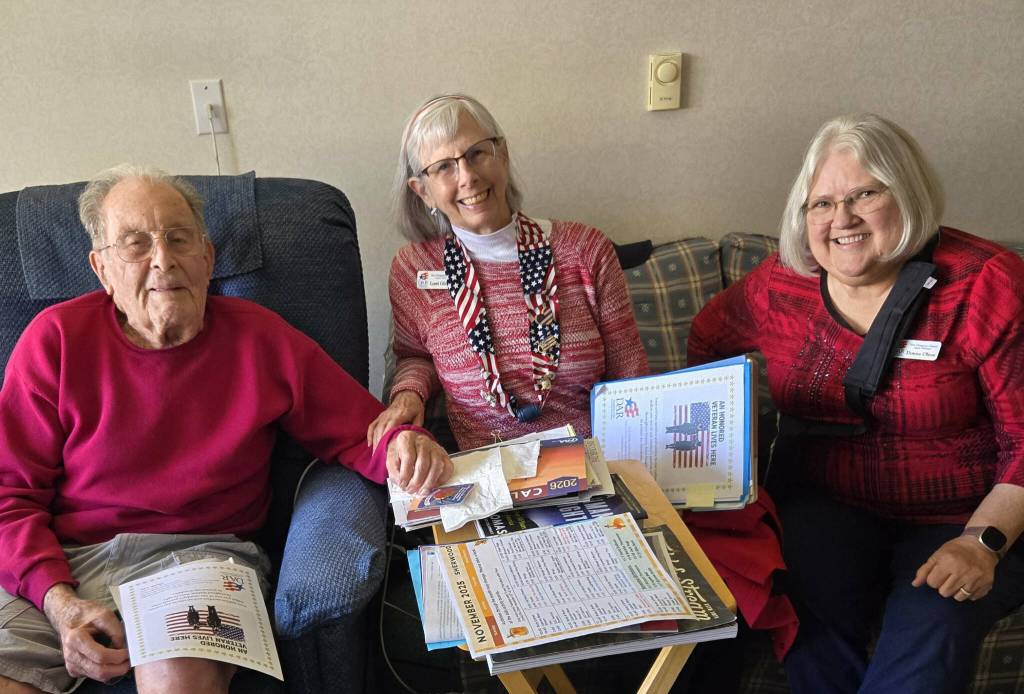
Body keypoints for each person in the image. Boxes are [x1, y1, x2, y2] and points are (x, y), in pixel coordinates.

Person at [0, 165, 452, 694]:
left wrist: (408, 447)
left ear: (208, 257)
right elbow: (8, 494)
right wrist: (58, 601)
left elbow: (360, 431)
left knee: (176, 678)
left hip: (204, 557)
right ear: (101, 269)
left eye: (178, 238)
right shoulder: (53, 340)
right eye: (135, 244)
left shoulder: (260, 338)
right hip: (67, 562)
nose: (163, 259)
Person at [687, 114, 1024, 693]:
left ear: (908, 193)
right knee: (798, 594)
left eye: (864, 194)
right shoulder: (781, 284)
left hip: (964, 515)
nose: (841, 218)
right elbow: (709, 341)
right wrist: (724, 448)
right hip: (827, 505)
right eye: (821, 204)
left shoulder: (986, 284)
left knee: (932, 626)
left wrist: (981, 544)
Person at [367, 94, 647, 452]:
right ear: (423, 192)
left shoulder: (585, 250)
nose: (467, 176)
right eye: (444, 167)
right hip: (487, 475)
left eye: (477, 153)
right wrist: (408, 394)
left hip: (595, 467)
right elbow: (415, 355)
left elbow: (631, 376)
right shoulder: (414, 269)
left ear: (503, 154)